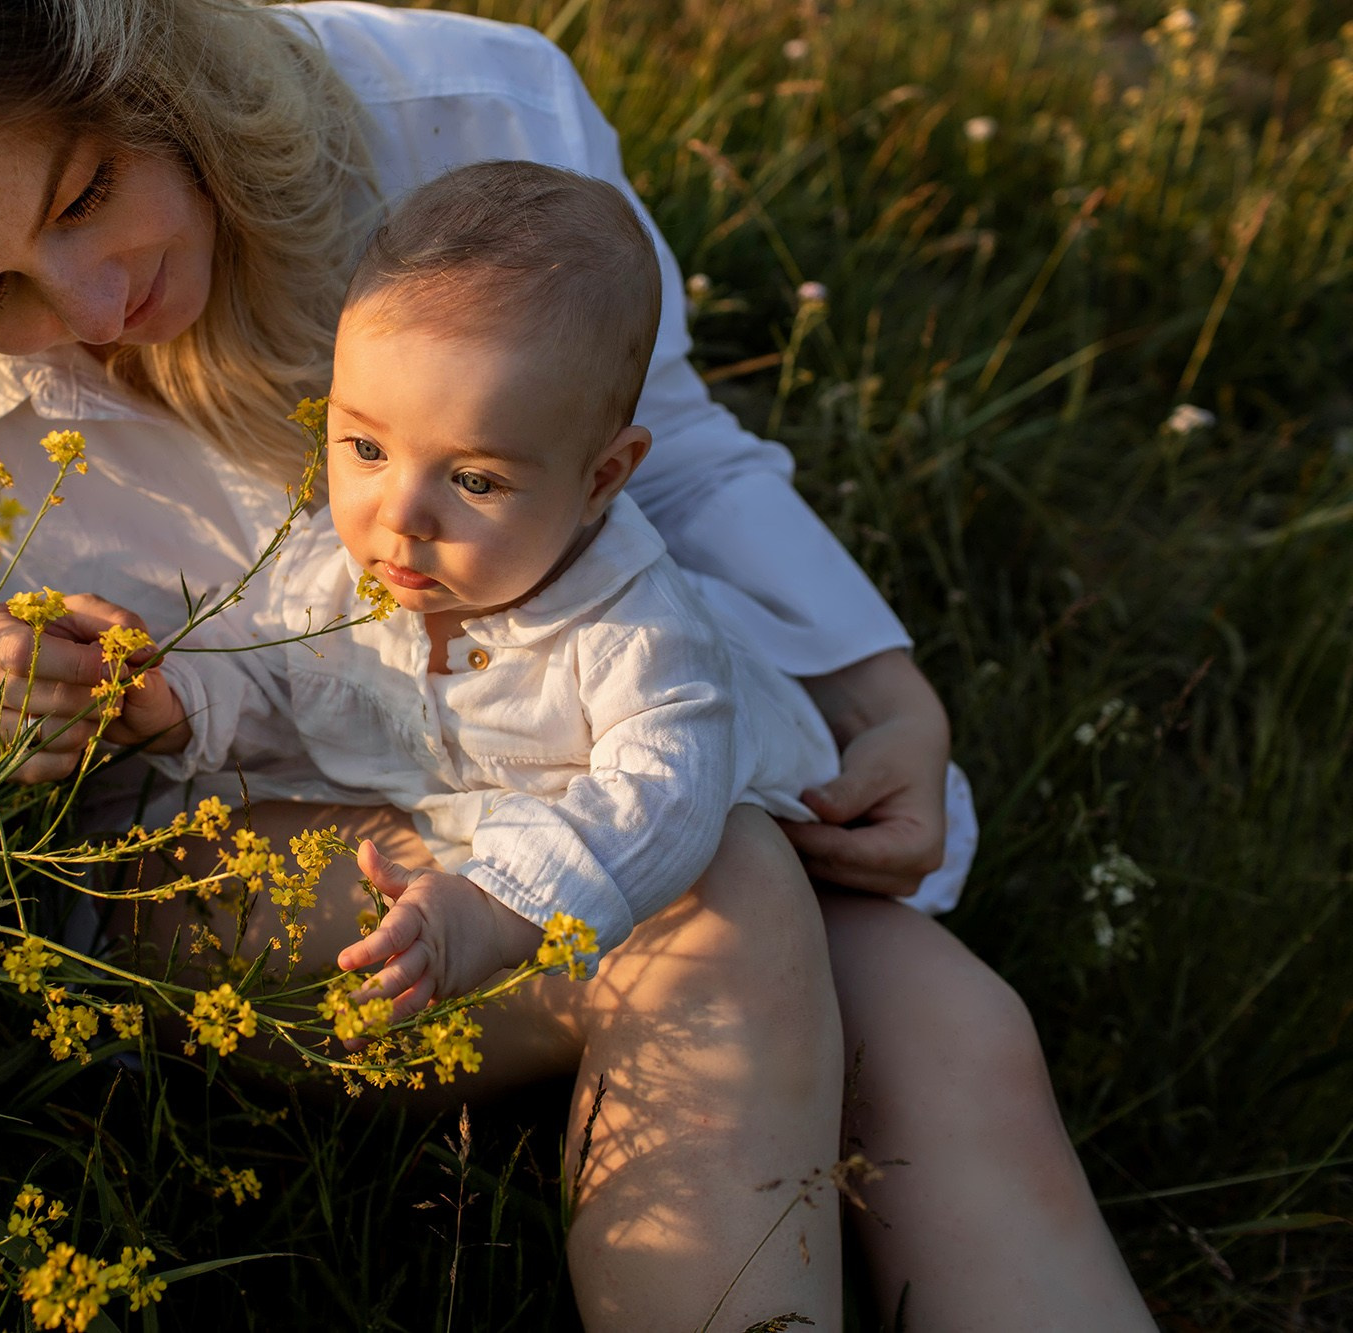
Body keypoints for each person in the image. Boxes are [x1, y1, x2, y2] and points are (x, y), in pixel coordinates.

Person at [0, 0, 1156, 1326]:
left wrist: (870, 684)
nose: (91, 309)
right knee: (701, 902)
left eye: (89, 193)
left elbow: (664, 450)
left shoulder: (464, 116)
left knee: (951, 1030)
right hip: (211, 839)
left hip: (540, 737)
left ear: (152, 52)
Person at [113, 159, 857, 1013]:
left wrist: (500, 910)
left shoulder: (638, 634)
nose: (401, 515)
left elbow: (661, 800)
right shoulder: (333, 574)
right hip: (492, 855)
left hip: (777, 865)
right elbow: (276, 677)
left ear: (602, 478)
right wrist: (177, 702)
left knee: (909, 1018)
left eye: (474, 481)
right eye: (365, 447)